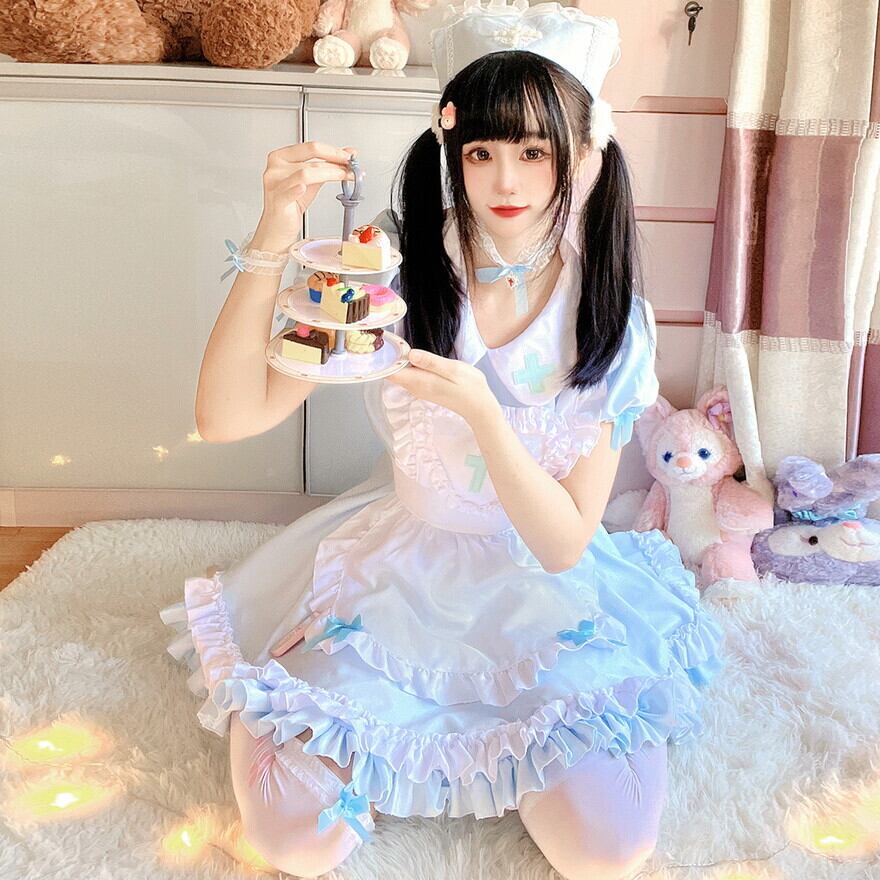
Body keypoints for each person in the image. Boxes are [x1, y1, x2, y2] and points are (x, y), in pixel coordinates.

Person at [160, 6, 727, 879]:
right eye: (481, 151)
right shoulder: (393, 271)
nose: (504, 179)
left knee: (608, 850)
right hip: (395, 577)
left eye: (534, 151)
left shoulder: (612, 313)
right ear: (450, 148)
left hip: (547, 590)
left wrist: (486, 418)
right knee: (294, 842)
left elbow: (562, 543)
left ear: (585, 154)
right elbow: (226, 416)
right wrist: (275, 230)